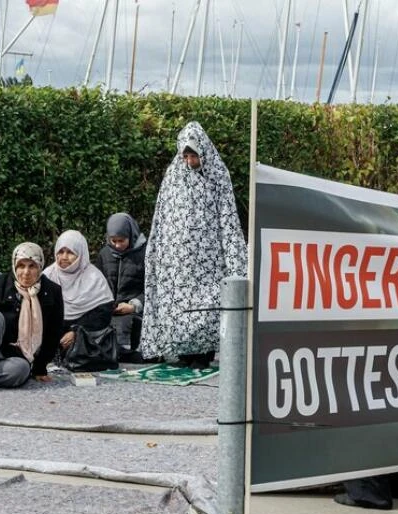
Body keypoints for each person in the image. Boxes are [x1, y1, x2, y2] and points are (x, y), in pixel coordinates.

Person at [140, 121, 247, 369]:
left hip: (207, 261)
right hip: (177, 263)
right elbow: (162, 215)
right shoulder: (173, 176)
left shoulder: (218, 176)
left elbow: (228, 218)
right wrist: (157, 252)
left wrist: (235, 261)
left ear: (204, 152)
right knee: (179, 310)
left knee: (206, 308)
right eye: (185, 155)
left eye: (194, 155)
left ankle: (203, 353)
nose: (190, 161)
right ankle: (182, 351)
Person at [0, 242, 64, 387]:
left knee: (21, 370)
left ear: (40, 266)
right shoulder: (1, 283)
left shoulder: (52, 291)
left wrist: (40, 367)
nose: (26, 272)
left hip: (10, 358)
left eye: (32, 266)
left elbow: (53, 333)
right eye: (21, 266)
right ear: (14, 266)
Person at [43, 230, 114, 352]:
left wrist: (77, 332)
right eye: (60, 252)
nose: (64, 257)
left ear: (81, 254)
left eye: (70, 252)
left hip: (87, 343)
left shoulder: (94, 278)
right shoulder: (48, 276)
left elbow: (102, 315)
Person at [96, 213, 147, 362]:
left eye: (122, 240)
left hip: (135, 311)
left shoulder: (145, 253)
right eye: (113, 241)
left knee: (128, 324)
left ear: (131, 236)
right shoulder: (104, 254)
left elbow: (152, 287)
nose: (117, 245)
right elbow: (96, 284)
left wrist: (134, 305)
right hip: (109, 310)